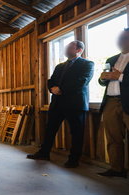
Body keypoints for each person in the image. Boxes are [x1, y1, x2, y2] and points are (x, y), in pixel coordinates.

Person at [27, 40, 94, 168]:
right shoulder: (60, 66)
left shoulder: (87, 64)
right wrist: (52, 88)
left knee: (76, 133)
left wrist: (60, 89)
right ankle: (44, 153)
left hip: (75, 104)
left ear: (79, 50)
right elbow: (51, 80)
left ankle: (73, 160)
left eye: (70, 47)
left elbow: (82, 81)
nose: (66, 49)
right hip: (57, 103)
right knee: (50, 129)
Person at [97, 29, 129, 178]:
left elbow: (119, 77)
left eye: (124, 38)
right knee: (113, 137)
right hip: (110, 101)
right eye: (119, 38)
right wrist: (103, 78)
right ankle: (117, 169)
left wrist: (120, 76)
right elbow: (102, 81)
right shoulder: (111, 58)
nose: (120, 41)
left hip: (127, 102)